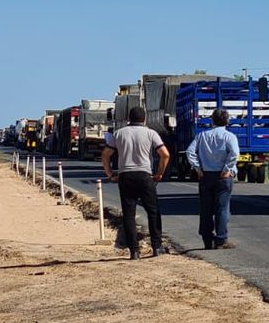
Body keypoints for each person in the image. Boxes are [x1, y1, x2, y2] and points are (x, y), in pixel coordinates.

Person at [101, 106, 170, 259]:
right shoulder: (151, 133)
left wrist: (110, 174)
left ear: (128, 119)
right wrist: (159, 174)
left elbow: (105, 155)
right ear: (144, 119)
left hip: (126, 176)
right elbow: (165, 154)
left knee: (128, 213)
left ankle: (134, 251)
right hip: (145, 175)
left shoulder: (118, 134)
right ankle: (157, 247)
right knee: (153, 212)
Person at [186, 109, 239, 249]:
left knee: (206, 209)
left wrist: (198, 168)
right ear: (227, 121)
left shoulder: (202, 136)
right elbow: (234, 153)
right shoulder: (230, 137)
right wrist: (227, 169)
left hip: (206, 175)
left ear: (212, 121)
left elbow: (190, 152)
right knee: (222, 209)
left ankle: (207, 239)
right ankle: (221, 239)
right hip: (223, 176)